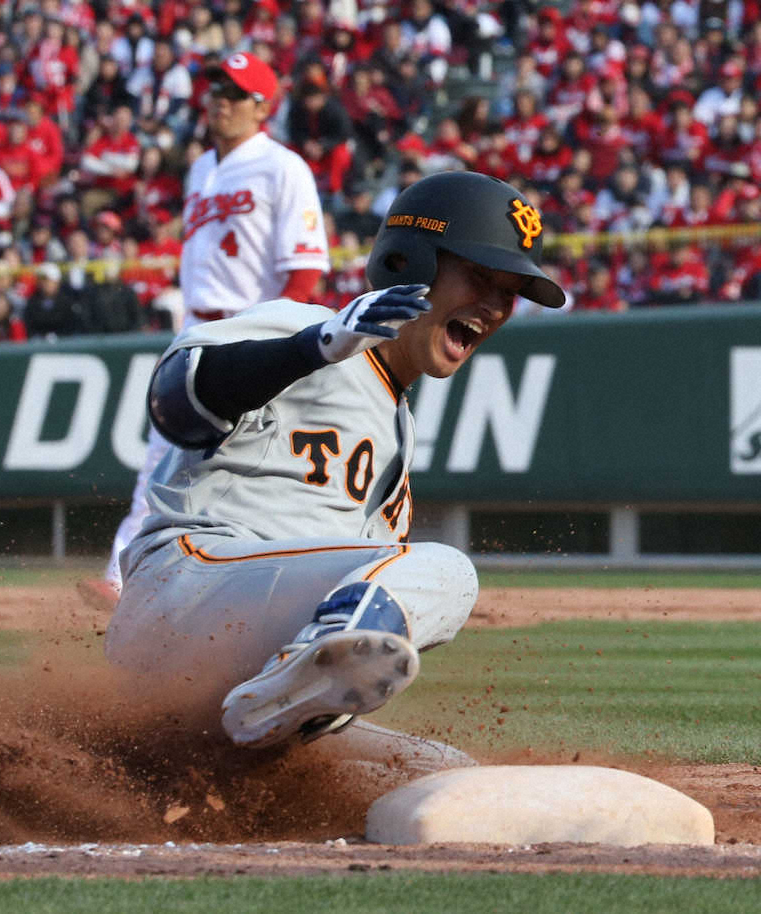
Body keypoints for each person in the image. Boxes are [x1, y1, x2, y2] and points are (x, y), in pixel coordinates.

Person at [105, 171, 565, 757]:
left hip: (241, 658)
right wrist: (313, 345)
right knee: (447, 569)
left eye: (511, 292)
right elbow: (175, 401)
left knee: (443, 772)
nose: (497, 305)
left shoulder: (398, 427)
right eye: (481, 276)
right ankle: (316, 665)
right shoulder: (305, 329)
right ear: (410, 261)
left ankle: (256, 729)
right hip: (187, 588)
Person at [95, 51, 330, 601]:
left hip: (253, 332)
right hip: (196, 329)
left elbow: (306, 268)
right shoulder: (202, 168)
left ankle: (292, 586)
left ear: (261, 105)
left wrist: (277, 340)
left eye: (233, 93)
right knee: (163, 457)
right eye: (215, 90)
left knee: (254, 471)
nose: (219, 101)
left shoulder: (282, 166)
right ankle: (120, 578)